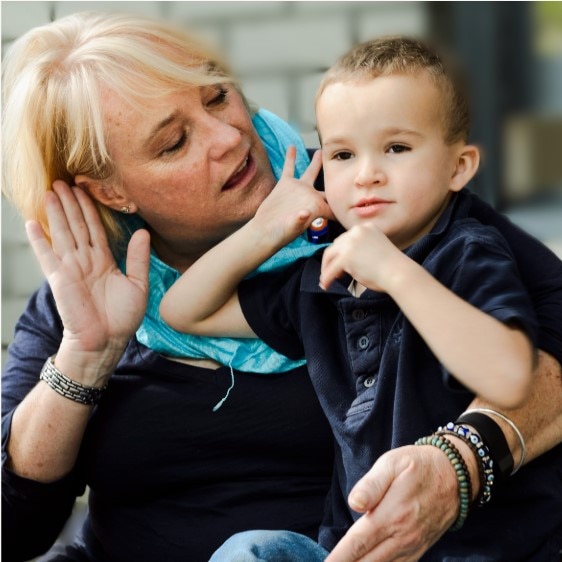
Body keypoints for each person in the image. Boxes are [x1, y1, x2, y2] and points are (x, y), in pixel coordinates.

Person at [0, 12, 561, 562]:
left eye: (217, 95)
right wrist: (86, 357)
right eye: (174, 143)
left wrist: (460, 462)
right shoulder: (85, 294)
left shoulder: (374, 204)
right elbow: (12, 529)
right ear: (112, 193)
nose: (229, 136)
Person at [160, 37, 562, 561]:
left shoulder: (467, 253)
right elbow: (183, 310)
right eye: (344, 154)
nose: (367, 173)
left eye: (396, 148)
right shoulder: (320, 278)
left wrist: (395, 272)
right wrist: (269, 229)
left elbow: (510, 374)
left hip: (488, 549)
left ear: (458, 168)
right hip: (350, 549)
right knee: (249, 551)